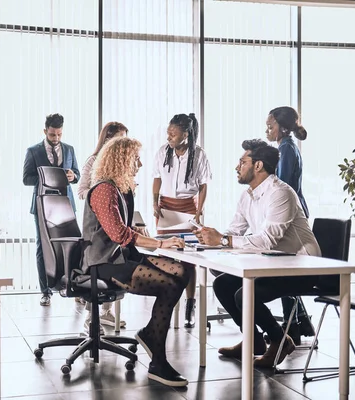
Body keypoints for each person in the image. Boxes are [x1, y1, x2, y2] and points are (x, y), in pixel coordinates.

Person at [194, 139, 334, 368]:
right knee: (222, 285)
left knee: (243, 293)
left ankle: (280, 340)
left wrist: (223, 240)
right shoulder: (248, 195)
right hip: (274, 264)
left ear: (258, 166)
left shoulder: (281, 193)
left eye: (242, 162)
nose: (236, 167)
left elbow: (268, 241)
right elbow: (234, 231)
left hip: (304, 268)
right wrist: (210, 238)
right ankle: (254, 340)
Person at [83, 136, 191, 387]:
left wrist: (150, 238)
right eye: (135, 159)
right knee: (169, 284)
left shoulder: (121, 189)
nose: (140, 164)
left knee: (181, 270)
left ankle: (149, 332)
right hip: (104, 263)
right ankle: (157, 360)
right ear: (120, 160)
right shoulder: (102, 190)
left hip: (123, 256)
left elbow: (128, 229)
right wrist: (161, 244)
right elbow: (120, 235)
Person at [151, 113, 212, 329]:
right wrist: (154, 203)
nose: (169, 136)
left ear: (185, 134)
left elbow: (204, 185)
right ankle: (168, 300)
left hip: (188, 208)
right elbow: (157, 178)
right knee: (167, 256)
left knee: (188, 261)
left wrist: (199, 212)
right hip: (166, 208)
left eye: (173, 133)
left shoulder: (199, 155)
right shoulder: (162, 152)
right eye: (168, 132)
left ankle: (190, 304)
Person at [266, 106, 315, 344]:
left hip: (292, 214)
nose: (267, 130)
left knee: (285, 269)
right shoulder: (285, 147)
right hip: (294, 211)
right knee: (285, 267)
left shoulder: (285, 148)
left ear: (283, 127)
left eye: (270, 126)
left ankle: (292, 325)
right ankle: (299, 321)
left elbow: (283, 187)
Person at [23, 113, 80, 307]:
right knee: (42, 247)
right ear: (45, 131)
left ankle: (73, 287)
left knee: (72, 245)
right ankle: (45, 291)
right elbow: (26, 179)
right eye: (52, 134)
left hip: (65, 204)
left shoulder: (69, 149)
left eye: (59, 135)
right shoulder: (33, 151)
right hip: (42, 204)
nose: (56, 139)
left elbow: (78, 175)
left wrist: (73, 176)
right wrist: (48, 177)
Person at [77, 121, 128, 330]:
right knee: (101, 259)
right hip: (97, 223)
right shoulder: (93, 161)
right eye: (119, 138)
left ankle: (106, 312)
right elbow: (82, 190)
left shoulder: (120, 163)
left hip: (113, 220)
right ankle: (91, 317)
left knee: (119, 255)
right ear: (107, 139)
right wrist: (99, 194)